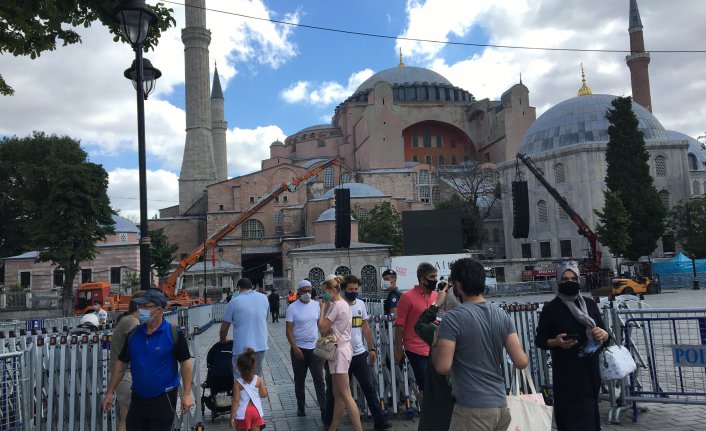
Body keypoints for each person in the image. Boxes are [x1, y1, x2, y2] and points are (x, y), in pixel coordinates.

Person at [433, 258, 528, 431]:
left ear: (459, 286)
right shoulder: (501, 314)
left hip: (472, 408)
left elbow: (442, 367)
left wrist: (435, 343)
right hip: (500, 405)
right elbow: (521, 361)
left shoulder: (453, 318)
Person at [101, 289, 193, 431]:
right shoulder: (134, 334)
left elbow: (186, 364)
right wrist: (109, 392)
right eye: (140, 306)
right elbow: (121, 364)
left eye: (146, 306)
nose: (141, 310)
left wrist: (187, 394)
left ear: (159, 309)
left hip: (164, 397)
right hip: (138, 398)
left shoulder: (174, 335)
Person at [535, 261, 609, 431]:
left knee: (590, 421)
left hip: (590, 375)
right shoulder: (552, 308)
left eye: (573, 278)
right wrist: (556, 342)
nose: (569, 282)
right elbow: (540, 340)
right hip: (567, 376)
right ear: (558, 281)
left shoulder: (589, 305)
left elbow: (606, 335)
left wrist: (603, 335)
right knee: (570, 422)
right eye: (565, 279)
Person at [323, 275, 391, 430]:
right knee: (335, 392)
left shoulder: (360, 304)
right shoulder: (337, 305)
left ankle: (379, 420)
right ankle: (330, 423)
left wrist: (371, 347)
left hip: (358, 353)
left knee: (368, 386)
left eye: (356, 289)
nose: (354, 292)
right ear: (343, 289)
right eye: (350, 289)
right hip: (338, 352)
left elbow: (365, 327)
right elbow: (324, 329)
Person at [318, 275, 363, 431]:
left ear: (333, 290)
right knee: (338, 394)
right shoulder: (341, 304)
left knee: (345, 394)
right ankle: (333, 427)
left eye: (325, 291)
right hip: (340, 349)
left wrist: (322, 308)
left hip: (339, 350)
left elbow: (322, 327)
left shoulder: (337, 305)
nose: (324, 294)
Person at [414, 280, 460, 431]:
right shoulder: (476, 325)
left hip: (440, 398)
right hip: (470, 398)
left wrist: (436, 303)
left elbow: (420, 325)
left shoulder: (438, 331)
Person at [394, 262, 438, 407]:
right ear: (422, 279)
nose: (435, 279)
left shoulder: (437, 296)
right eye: (432, 276)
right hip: (415, 347)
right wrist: (398, 349)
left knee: (435, 384)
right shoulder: (407, 297)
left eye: (436, 276)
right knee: (424, 384)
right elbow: (400, 325)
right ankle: (426, 413)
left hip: (434, 346)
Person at [285, 279, 327, 418]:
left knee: (319, 378)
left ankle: (324, 408)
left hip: (314, 348)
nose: (307, 294)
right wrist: (295, 348)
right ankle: (301, 407)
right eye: (305, 291)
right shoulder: (292, 308)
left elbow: (321, 327)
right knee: (299, 379)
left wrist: (323, 347)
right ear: (299, 292)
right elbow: (289, 331)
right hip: (299, 349)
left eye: (310, 291)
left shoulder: (316, 305)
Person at [220, 278, 270, 380]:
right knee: (255, 379)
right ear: (251, 287)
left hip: (241, 348)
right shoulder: (264, 298)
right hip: (260, 345)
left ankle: (242, 395)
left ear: (238, 288)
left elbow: (224, 327)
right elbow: (265, 318)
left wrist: (223, 340)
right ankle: (254, 396)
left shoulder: (234, 302)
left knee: (240, 380)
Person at [108, 291, 144, 431]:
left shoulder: (125, 320)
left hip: (121, 376)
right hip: (127, 375)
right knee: (136, 416)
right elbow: (137, 348)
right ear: (139, 306)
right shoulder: (132, 322)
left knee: (125, 417)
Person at [230, 348, 268, 431]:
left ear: (239, 368)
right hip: (256, 411)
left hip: (242, 413)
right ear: (254, 366)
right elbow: (263, 394)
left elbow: (236, 400)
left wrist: (232, 417)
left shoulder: (237, 383)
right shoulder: (259, 380)